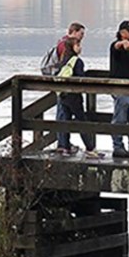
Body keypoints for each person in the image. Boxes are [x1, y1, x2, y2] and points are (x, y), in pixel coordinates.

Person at [55, 36, 100, 158]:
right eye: (78, 45)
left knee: (65, 120)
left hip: (63, 95)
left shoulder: (64, 60)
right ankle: (90, 148)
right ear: (73, 47)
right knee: (81, 121)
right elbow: (80, 77)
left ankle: (65, 147)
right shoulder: (77, 61)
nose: (80, 48)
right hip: (74, 96)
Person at [109, 20, 129, 158]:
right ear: (122, 33)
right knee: (120, 117)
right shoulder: (116, 46)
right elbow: (115, 47)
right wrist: (122, 43)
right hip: (121, 88)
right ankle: (118, 146)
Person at [55, 22, 86, 153]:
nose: (82, 37)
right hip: (68, 90)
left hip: (62, 88)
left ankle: (64, 144)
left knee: (64, 117)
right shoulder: (65, 45)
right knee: (69, 117)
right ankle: (65, 144)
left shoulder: (62, 43)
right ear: (74, 32)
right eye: (81, 33)